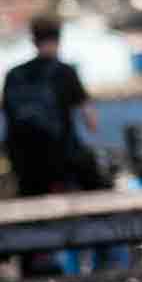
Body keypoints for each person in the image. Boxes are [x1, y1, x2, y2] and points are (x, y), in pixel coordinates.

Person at [5, 14, 100, 198]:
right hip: (62, 161)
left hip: (25, 164)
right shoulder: (65, 72)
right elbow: (92, 122)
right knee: (94, 177)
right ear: (59, 38)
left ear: (33, 40)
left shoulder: (13, 75)